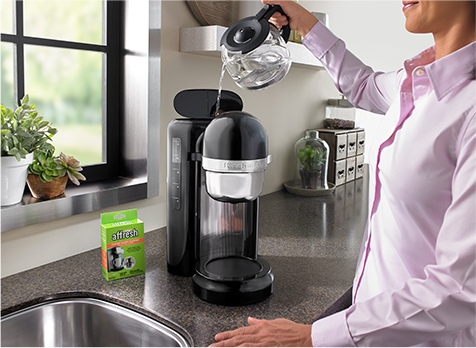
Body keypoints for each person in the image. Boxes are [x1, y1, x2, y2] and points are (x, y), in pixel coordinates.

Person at [210, 0, 476, 346]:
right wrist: (306, 25)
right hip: (376, 321)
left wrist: (313, 336)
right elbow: (363, 85)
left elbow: (462, 289)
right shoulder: (417, 84)